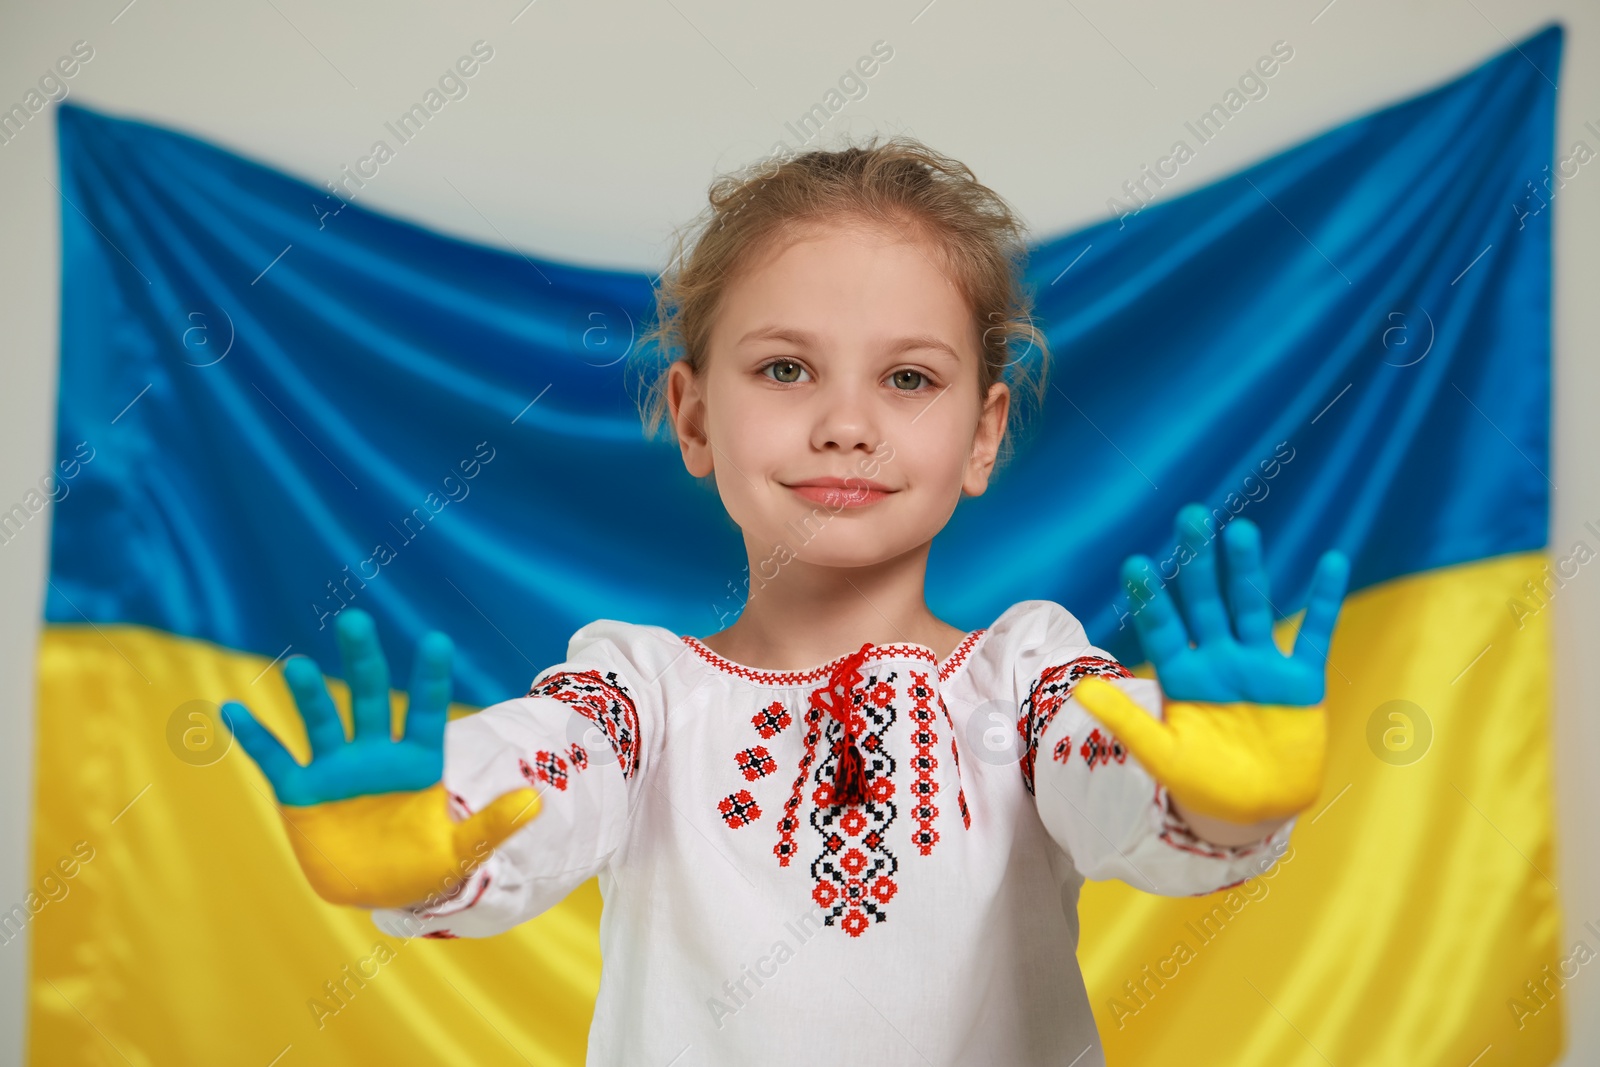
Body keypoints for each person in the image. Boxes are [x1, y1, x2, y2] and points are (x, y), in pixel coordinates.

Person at [221, 137, 1349, 1066]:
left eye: (907, 377)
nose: (845, 422)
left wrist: (1220, 800)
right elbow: (544, 772)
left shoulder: (1031, 680)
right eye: (785, 369)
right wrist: (433, 836)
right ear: (696, 415)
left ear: (985, 433)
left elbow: (1118, 784)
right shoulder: (638, 697)